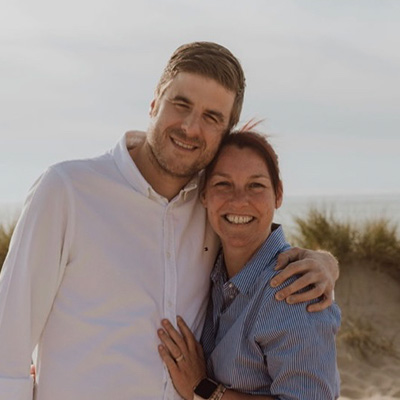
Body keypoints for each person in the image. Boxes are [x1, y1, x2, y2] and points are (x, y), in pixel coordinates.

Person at [0, 42, 338, 400]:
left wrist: (325, 263)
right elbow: (8, 336)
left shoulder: (213, 205)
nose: (190, 127)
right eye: (181, 104)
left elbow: (258, 249)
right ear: (154, 102)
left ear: (225, 132)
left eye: (212, 117)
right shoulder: (67, 190)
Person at [158, 130, 341, 400]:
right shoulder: (212, 270)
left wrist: (203, 389)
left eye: (256, 185)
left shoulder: (293, 291)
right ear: (204, 194)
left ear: (278, 194)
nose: (239, 200)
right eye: (223, 184)